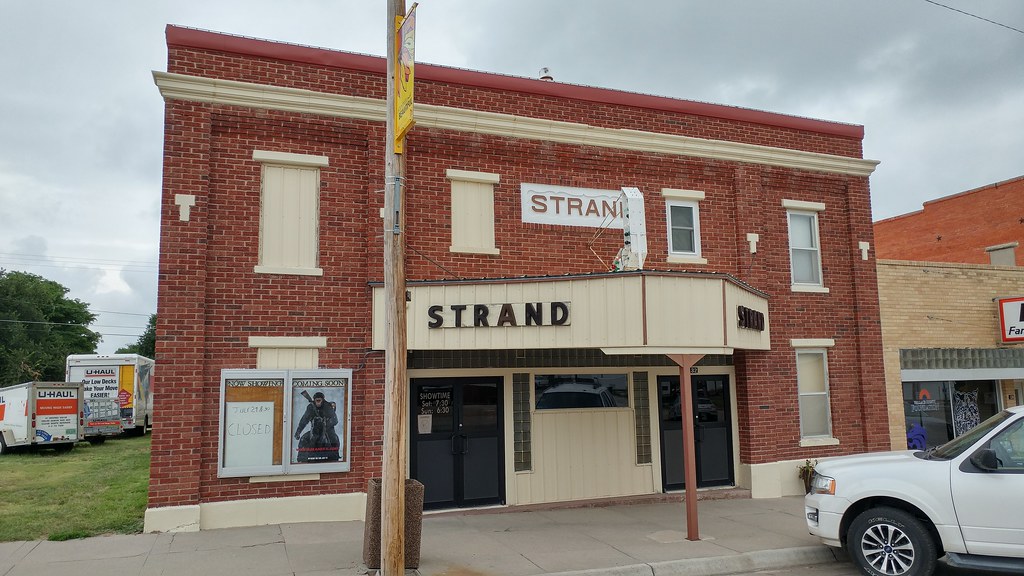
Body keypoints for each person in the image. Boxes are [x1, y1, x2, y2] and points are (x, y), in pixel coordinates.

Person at [294, 391, 340, 462]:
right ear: (314, 400)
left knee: (334, 439)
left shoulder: (327, 406)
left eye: (319, 400)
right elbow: (304, 420)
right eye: (317, 401)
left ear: (323, 400)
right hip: (315, 429)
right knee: (304, 439)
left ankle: (334, 457)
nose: (318, 402)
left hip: (327, 429)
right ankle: (302, 458)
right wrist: (298, 431)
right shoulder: (311, 407)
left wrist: (325, 424)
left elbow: (335, 420)